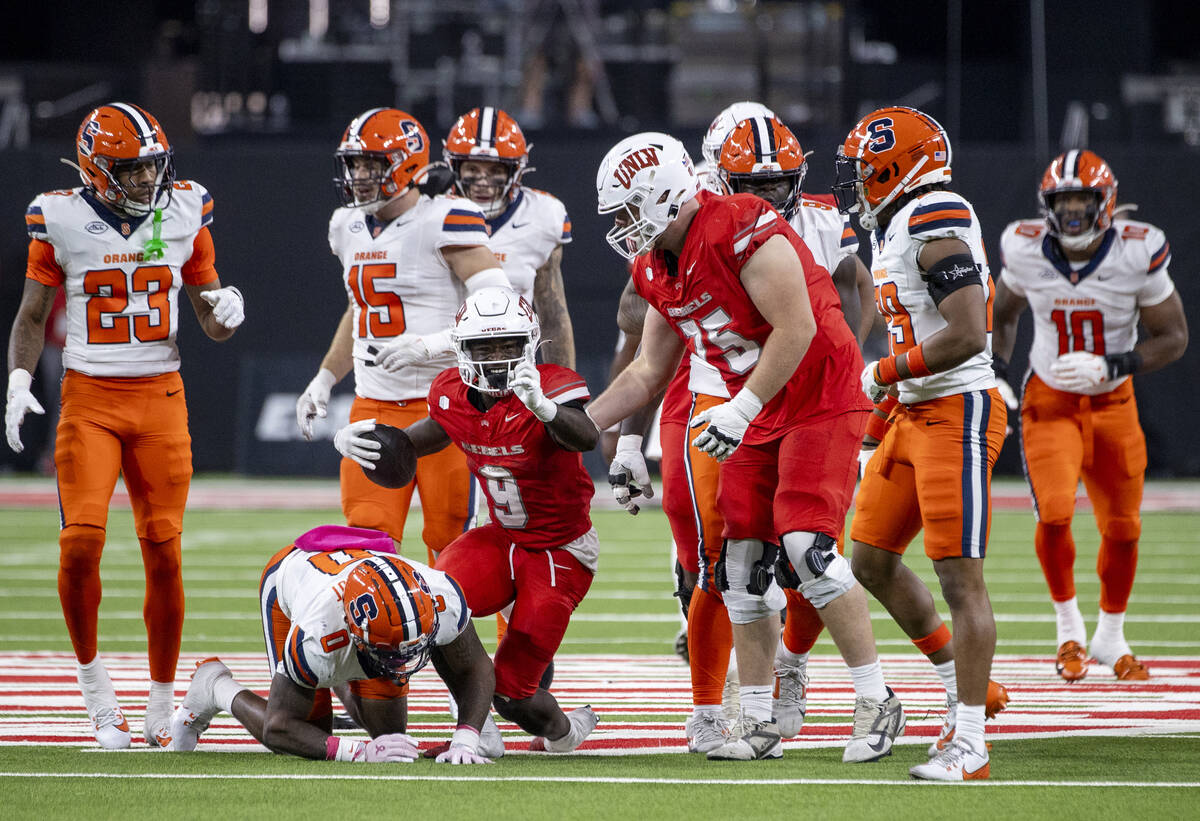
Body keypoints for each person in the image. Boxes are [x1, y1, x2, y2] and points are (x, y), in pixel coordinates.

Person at [590, 132, 904, 763]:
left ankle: (877, 699)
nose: (625, 227)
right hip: (756, 403)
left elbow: (800, 327)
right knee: (739, 564)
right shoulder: (655, 264)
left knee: (807, 549)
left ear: (667, 196)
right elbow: (648, 372)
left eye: (631, 209)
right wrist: (569, 422)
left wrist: (741, 408)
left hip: (818, 391)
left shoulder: (741, 221)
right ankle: (758, 721)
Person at [4, 102, 245, 749]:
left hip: (162, 395)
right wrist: (20, 380)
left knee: (163, 551)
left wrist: (228, 310)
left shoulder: (187, 207)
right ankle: (97, 694)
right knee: (79, 542)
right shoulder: (60, 216)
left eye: (151, 168)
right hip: (90, 397)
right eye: (131, 171)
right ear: (97, 171)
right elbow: (33, 314)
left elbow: (210, 318)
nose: (146, 181)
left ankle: (161, 703)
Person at [335, 286, 600, 752]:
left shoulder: (553, 386)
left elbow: (585, 437)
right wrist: (362, 442)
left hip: (559, 549)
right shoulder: (450, 395)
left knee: (514, 696)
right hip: (501, 537)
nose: (497, 358)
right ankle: (478, 729)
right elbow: (412, 445)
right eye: (485, 347)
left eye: (508, 345)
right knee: (430, 606)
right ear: (463, 349)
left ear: (530, 345)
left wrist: (545, 408)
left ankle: (565, 732)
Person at [833, 106, 1006, 781]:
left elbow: (970, 330)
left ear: (898, 165)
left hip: (956, 406)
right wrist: (880, 413)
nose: (858, 182)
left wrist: (883, 370)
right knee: (870, 559)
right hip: (912, 410)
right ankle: (963, 686)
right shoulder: (903, 222)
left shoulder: (935, 214)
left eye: (866, 169)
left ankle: (970, 741)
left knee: (961, 579)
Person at [992, 149, 1188, 682]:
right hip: (1050, 402)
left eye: (1083, 198)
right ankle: (1068, 633)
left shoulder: (1136, 250)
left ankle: (1110, 637)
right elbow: (1005, 314)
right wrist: (1000, 368)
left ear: (1106, 201)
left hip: (1114, 402)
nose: (1074, 209)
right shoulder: (1025, 248)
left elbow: (1174, 337)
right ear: (1047, 205)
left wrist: (1115, 361)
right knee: (1054, 514)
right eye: (1064, 199)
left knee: (1123, 528)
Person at [294, 108, 511, 564]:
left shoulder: (446, 219)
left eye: (371, 164)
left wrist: (430, 346)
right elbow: (360, 311)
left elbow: (500, 308)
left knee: (450, 544)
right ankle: (381, 636)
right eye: (354, 164)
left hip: (445, 407)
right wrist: (325, 377)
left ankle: (444, 636)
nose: (358, 175)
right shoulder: (345, 226)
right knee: (366, 544)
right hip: (373, 403)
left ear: (406, 164)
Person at [168, 524, 499, 763]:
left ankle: (346, 671)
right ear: (356, 635)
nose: (404, 665)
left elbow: (477, 667)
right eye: (393, 653)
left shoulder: (440, 595)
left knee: (390, 736)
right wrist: (354, 752)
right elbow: (279, 727)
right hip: (291, 579)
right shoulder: (318, 633)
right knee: (310, 732)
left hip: (366, 600)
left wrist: (466, 738)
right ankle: (215, 685)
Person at [444, 106, 575, 369]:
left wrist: (564, 389)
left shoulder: (541, 215)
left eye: (495, 170)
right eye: (472, 168)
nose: (483, 181)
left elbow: (552, 316)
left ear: (516, 171)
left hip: (512, 367)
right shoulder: (433, 214)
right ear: (455, 166)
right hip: (441, 368)